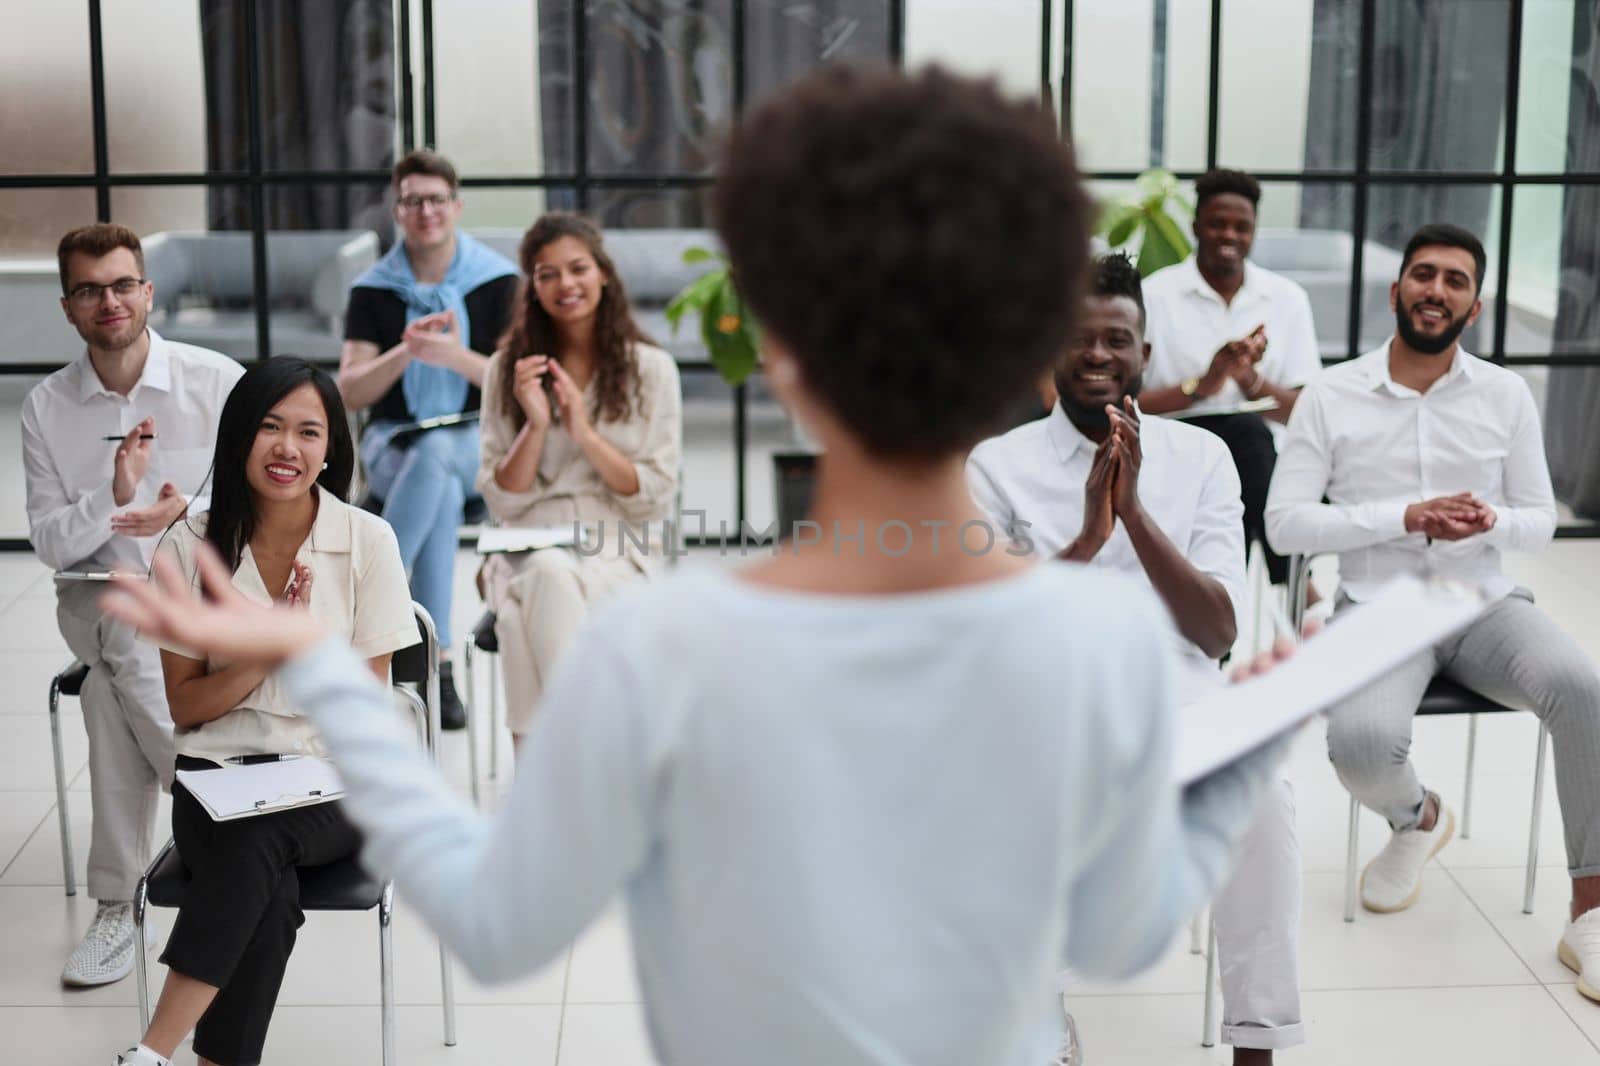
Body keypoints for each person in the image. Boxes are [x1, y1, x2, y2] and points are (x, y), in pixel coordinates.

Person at [104, 66, 1290, 1066]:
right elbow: (1131, 926)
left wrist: (317, 660)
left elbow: (493, 916)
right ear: (1034, 340)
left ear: (775, 350)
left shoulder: (663, 648)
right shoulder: (1100, 639)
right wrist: (1255, 740)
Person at [968, 253, 1304, 1065]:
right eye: (1078, 338)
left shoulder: (1203, 459)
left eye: (1116, 338)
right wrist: (1087, 538)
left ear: (1145, 354)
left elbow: (1219, 633)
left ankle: (1257, 1039)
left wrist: (1137, 515)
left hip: (1172, 686)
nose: (1096, 354)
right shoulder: (996, 466)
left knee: (1264, 792)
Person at [1265, 223, 1600, 998]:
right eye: (1424, 275)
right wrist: (1404, 516)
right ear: (1397, 290)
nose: (1436, 290)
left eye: (1455, 281)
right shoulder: (1332, 393)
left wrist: (1489, 522)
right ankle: (1418, 819)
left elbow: (1538, 518)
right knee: (1359, 742)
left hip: (1480, 602)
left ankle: (1589, 909)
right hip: (1378, 606)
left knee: (1583, 689)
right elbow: (1285, 524)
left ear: (1474, 306)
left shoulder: (1505, 393)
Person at [111, 357, 418, 1066]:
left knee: (258, 843)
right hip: (216, 774)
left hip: (336, 779)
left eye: (310, 432)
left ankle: (150, 1052)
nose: (289, 449)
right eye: (271, 427)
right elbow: (186, 709)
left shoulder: (369, 541)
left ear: (331, 448)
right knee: (265, 885)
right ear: (240, 435)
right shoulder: (190, 543)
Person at [21, 223, 244, 988]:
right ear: (68, 307)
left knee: (104, 705)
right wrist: (112, 499)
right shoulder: (46, 409)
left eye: (121, 284)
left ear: (148, 292)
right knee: (121, 606)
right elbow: (52, 543)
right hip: (97, 596)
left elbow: (274, 498)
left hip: (204, 593)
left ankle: (119, 905)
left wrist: (186, 513)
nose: (107, 300)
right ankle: (219, 805)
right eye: (89, 289)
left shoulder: (216, 381)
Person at [476, 212, 681, 749]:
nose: (565, 284)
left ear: (603, 274)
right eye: (547, 274)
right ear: (533, 288)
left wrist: (583, 432)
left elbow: (654, 495)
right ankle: (594, 761)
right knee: (545, 571)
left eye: (577, 269)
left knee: (522, 627)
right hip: (524, 544)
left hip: (617, 548)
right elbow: (502, 497)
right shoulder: (506, 371)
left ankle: (539, 802)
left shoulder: (651, 369)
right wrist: (537, 425)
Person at [339, 148, 520, 729]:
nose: (425, 212)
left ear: (456, 206)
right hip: (396, 445)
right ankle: (437, 665)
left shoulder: (497, 282)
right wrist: (406, 351)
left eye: (436, 200)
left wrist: (454, 356)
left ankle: (372, 614)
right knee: (433, 478)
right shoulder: (373, 291)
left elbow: (518, 385)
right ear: (397, 210)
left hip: (475, 442)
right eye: (412, 201)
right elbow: (350, 392)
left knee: (441, 460)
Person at [1139, 168, 1323, 594]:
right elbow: (1131, 404)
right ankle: (1295, 583)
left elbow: (1303, 412)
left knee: (1247, 445)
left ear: (1255, 231)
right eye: (1218, 223)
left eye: (1242, 226)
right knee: (1243, 439)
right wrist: (1203, 384)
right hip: (1179, 448)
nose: (1230, 235)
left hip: (1260, 462)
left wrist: (1248, 379)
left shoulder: (1286, 298)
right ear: (1196, 226)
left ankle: (1220, 631)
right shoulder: (1155, 296)